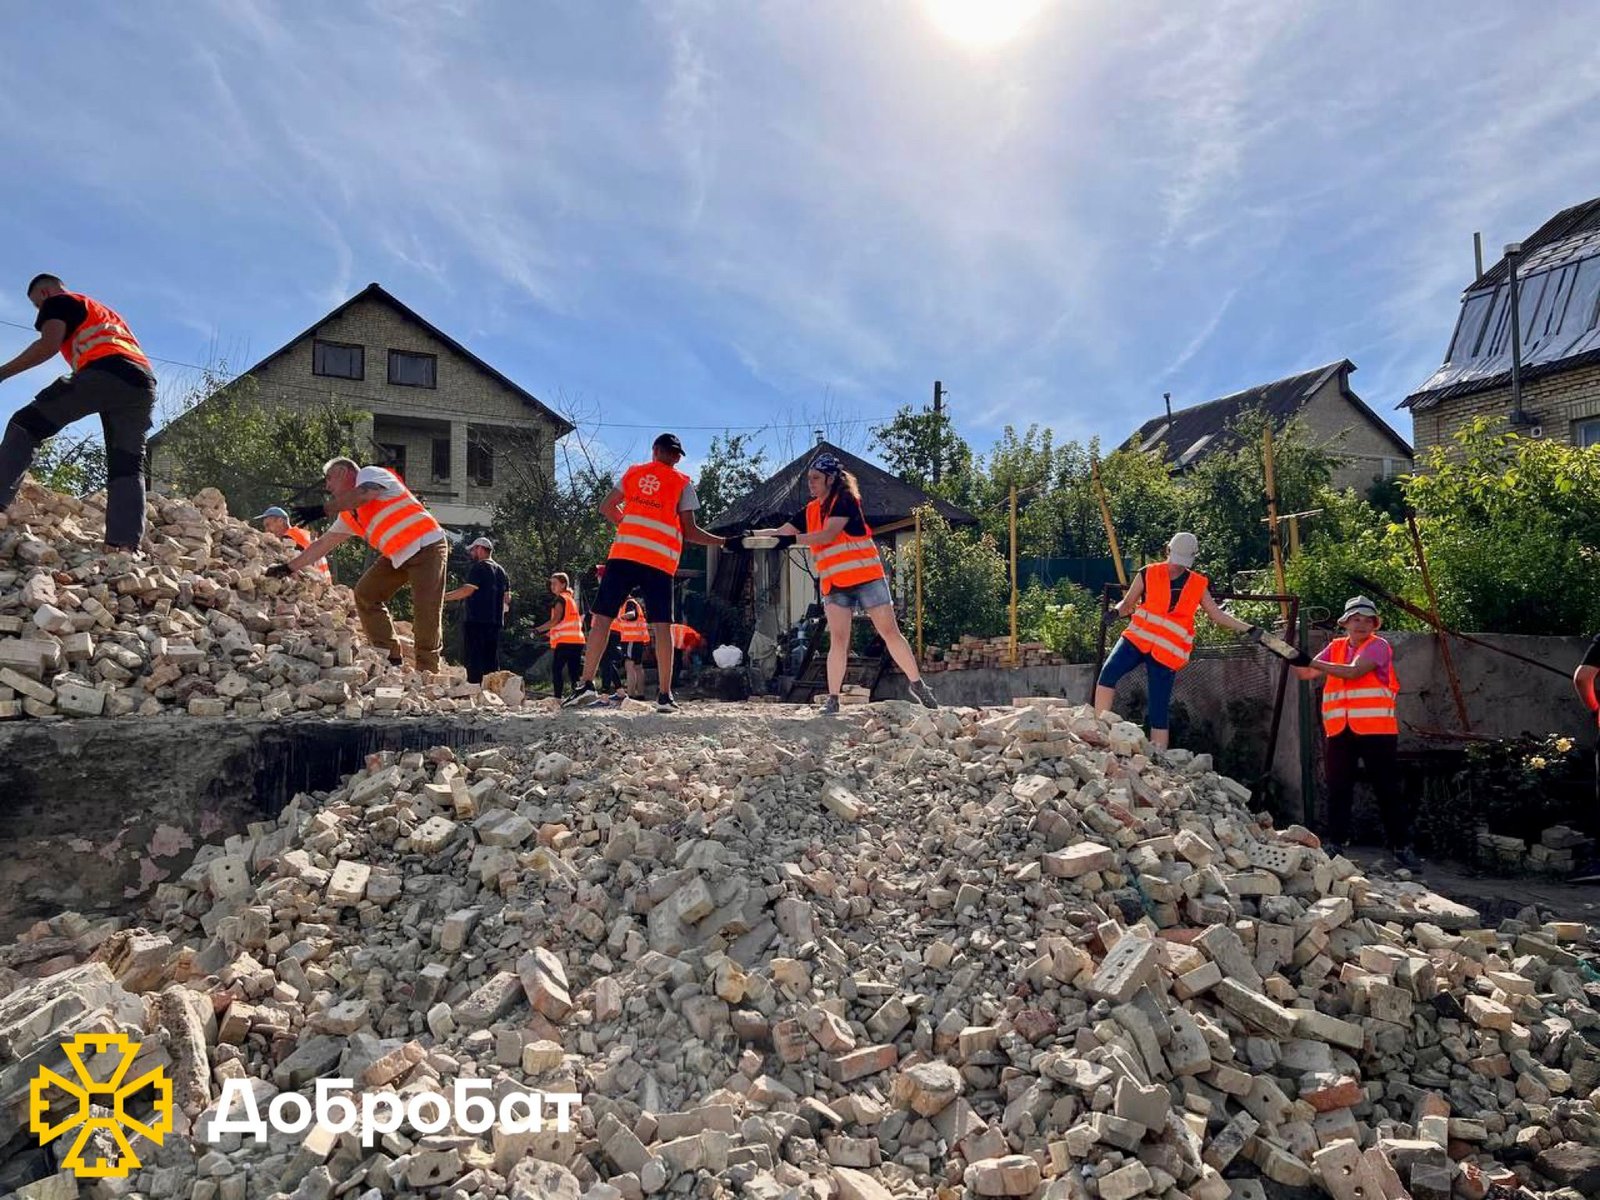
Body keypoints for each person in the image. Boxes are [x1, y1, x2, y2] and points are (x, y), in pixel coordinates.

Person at [748, 452, 937, 716]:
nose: (810, 484)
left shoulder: (845, 500)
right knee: (838, 640)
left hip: (866, 577)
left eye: (815, 479)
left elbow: (828, 534)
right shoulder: (810, 511)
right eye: (809, 479)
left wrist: (788, 541)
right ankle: (833, 698)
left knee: (889, 632)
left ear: (830, 479)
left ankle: (918, 685)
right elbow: (781, 532)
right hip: (836, 583)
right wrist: (749, 536)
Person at [562, 433, 725, 712]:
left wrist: (627, 525)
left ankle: (585, 685)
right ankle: (664, 695)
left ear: (654, 451)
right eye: (675, 454)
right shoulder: (681, 483)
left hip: (625, 555)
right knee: (663, 627)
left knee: (601, 619)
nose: (675, 458)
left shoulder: (634, 474)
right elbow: (690, 531)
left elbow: (606, 506)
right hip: (659, 562)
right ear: (671, 454)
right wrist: (723, 542)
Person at [0, 275, 157, 551]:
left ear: (45, 293)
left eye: (38, 306)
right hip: (142, 383)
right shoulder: (104, 312)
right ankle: (124, 545)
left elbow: (47, 345)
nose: (40, 312)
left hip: (105, 373)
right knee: (127, 463)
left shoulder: (58, 301)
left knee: (26, 424)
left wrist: (3, 373)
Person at [266, 457, 448, 672]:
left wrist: (322, 510)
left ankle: (427, 670)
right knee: (365, 594)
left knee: (426, 608)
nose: (328, 486)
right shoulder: (349, 515)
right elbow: (323, 544)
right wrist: (288, 568)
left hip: (427, 545)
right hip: (396, 555)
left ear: (344, 472)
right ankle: (389, 657)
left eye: (330, 479)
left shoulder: (370, 474)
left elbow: (365, 494)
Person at [1094, 531, 1259, 750]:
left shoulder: (1198, 584)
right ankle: (1098, 731)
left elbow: (1217, 615)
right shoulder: (1148, 573)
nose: (1177, 566)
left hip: (1166, 651)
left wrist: (1248, 628)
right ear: (1168, 551)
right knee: (1109, 673)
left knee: (1159, 705)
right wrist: (1115, 612)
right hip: (1137, 639)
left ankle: (1158, 756)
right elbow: (1128, 604)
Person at [1293, 595, 1419, 869]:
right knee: (1338, 788)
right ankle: (1335, 843)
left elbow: (1352, 673)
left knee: (1387, 788)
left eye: (1367, 620)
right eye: (1356, 619)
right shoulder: (1335, 647)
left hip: (1377, 731)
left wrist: (1309, 662)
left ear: (1374, 624)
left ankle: (1402, 846)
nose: (1361, 624)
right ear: (1345, 623)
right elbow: (1305, 674)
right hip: (1340, 730)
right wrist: (1288, 654)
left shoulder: (1379, 646)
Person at [444, 537, 509, 684]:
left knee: (474, 656)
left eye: (473, 549)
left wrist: (444, 597)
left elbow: (467, 591)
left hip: (476, 620)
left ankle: (474, 688)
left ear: (480, 549)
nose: (472, 553)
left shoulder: (479, 568)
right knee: (490, 658)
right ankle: (492, 689)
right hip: (495, 622)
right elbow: (507, 599)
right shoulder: (502, 572)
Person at [535, 572, 586, 700]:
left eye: (555, 583)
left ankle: (557, 698)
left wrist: (537, 630)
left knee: (557, 670)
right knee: (574, 672)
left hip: (565, 642)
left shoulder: (560, 599)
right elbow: (565, 622)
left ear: (563, 584)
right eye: (551, 583)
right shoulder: (571, 599)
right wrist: (548, 634)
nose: (552, 586)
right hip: (577, 641)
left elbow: (555, 621)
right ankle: (577, 697)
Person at [254, 506, 332, 582]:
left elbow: (296, 565)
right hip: (324, 582)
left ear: (280, 521)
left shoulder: (289, 539)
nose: (266, 530)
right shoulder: (302, 533)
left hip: (314, 583)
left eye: (268, 525)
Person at [613, 594, 651, 698]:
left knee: (629, 665)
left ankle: (630, 694)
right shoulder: (634, 603)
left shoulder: (629, 603)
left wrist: (621, 617)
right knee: (638, 666)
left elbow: (632, 614)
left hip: (630, 639)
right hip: (638, 639)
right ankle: (640, 694)